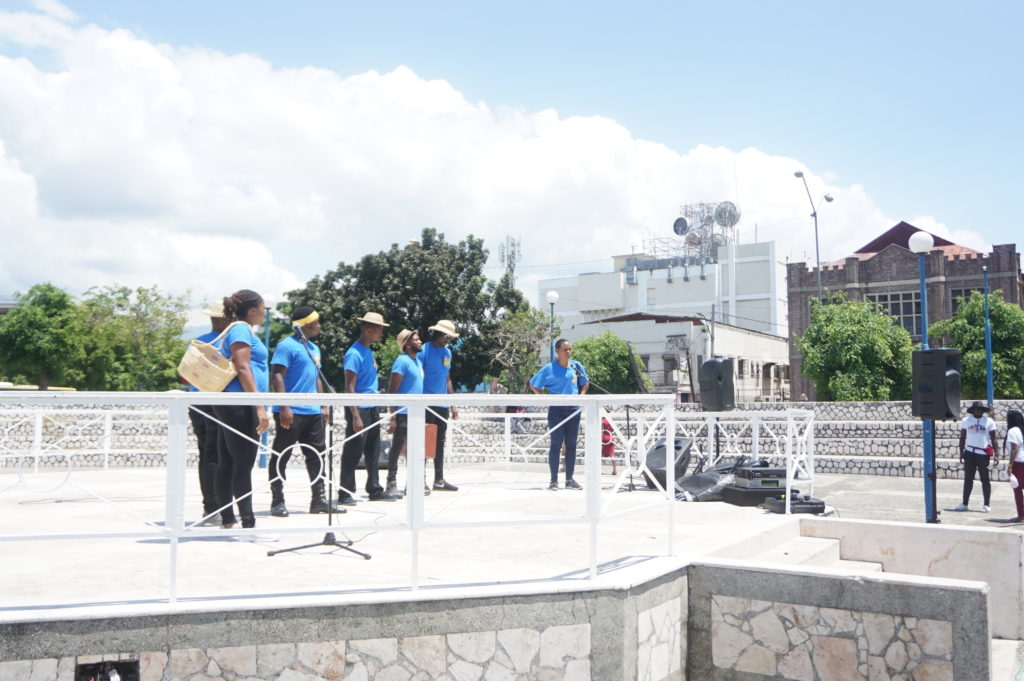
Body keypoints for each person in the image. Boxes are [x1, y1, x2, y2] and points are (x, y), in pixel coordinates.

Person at [267, 306, 332, 517]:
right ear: (304, 324)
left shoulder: (313, 348)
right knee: (281, 455)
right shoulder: (286, 345)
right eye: (316, 322)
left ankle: (319, 499)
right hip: (291, 411)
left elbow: (316, 378)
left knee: (317, 455)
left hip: (312, 411)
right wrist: (284, 405)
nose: (319, 325)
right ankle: (277, 500)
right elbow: (277, 375)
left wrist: (323, 405)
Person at [213, 289, 270, 531]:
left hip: (236, 403)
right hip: (239, 404)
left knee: (229, 461)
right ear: (253, 309)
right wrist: (259, 407)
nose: (265, 313)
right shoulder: (241, 329)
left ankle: (228, 518)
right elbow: (243, 367)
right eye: (263, 308)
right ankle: (247, 520)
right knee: (242, 463)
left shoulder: (243, 329)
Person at [339, 312, 397, 504]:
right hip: (359, 407)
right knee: (354, 449)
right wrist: (355, 415)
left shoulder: (369, 351)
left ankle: (374, 488)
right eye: (379, 330)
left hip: (371, 406)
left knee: (373, 448)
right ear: (369, 329)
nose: (381, 334)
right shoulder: (354, 353)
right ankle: (345, 491)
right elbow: (349, 387)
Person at [186, 300, 228, 523]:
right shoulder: (224, 344)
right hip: (214, 403)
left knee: (207, 455)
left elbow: (185, 374)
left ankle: (212, 506)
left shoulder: (197, 343)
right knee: (217, 455)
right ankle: (215, 507)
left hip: (197, 401)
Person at [530, 338, 589, 490]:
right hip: (556, 410)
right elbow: (533, 384)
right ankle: (554, 481)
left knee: (571, 445)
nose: (568, 352)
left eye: (570, 349)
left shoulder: (576, 366)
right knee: (556, 444)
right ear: (557, 351)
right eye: (565, 350)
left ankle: (569, 479)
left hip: (573, 409)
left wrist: (581, 397)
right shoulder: (549, 368)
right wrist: (543, 398)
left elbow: (585, 382)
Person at [384, 329, 427, 498]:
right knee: (397, 447)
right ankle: (391, 482)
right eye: (416, 339)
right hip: (403, 412)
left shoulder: (417, 362)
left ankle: (414, 482)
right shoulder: (401, 361)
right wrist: (393, 416)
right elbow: (392, 390)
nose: (420, 341)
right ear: (407, 344)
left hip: (416, 413)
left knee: (415, 449)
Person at [422, 319, 460, 491]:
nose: (449, 340)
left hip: (442, 404)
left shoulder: (448, 353)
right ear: (438, 333)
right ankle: (419, 478)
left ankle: (439, 479)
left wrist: (452, 403)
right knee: (425, 441)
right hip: (426, 403)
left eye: (451, 337)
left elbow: (447, 379)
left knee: (440, 441)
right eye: (447, 336)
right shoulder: (424, 350)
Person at [956, 400, 1000, 512]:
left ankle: (986, 504)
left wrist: (997, 454)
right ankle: (965, 503)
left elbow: (994, 439)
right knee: (968, 479)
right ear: (972, 410)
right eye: (976, 409)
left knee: (985, 480)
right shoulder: (966, 421)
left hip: (983, 454)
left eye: (980, 409)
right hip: (969, 453)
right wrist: (961, 453)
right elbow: (962, 437)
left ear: (983, 411)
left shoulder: (989, 421)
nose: (978, 411)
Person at [1005, 409, 1024, 522]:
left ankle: (1021, 516)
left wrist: (1010, 465)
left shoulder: (1013, 431)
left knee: (1017, 489)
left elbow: (1014, 449)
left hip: (1019, 462)